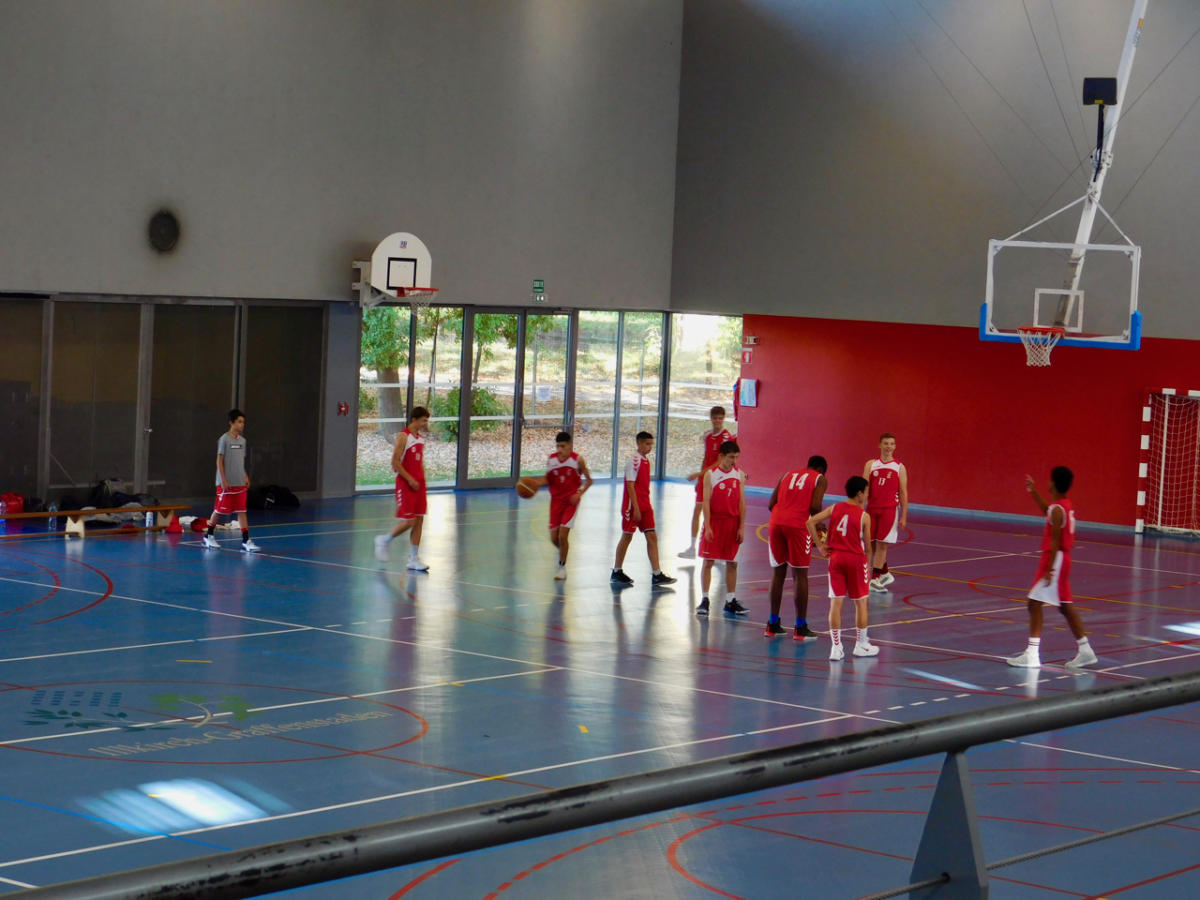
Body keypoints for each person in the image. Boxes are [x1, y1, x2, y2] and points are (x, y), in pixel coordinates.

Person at [1006, 467, 1098, 669]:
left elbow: (1055, 539)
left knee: (1034, 603)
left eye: (1049, 480)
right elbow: (1049, 513)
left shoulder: (1057, 509)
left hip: (1055, 559)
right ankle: (1086, 650)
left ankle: (1032, 654)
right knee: (1065, 606)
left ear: (1054, 483)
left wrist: (1049, 569)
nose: (1047, 482)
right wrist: (1033, 492)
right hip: (1062, 559)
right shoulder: (1061, 506)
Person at [808, 476, 878, 661]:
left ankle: (836, 648)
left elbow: (810, 522)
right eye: (867, 491)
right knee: (861, 603)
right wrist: (868, 564)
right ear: (859, 493)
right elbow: (868, 547)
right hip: (856, 560)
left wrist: (820, 545)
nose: (868, 495)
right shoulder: (864, 516)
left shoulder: (835, 508)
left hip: (836, 559)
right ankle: (861, 644)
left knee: (835, 603)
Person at [764, 455, 827, 639]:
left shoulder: (787, 475)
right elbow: (815, 507)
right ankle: (800, 627)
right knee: (800, 575)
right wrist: (819, 524)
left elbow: (771, 504)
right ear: (821, 470)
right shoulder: (820, 479)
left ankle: (772, 624)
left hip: (776, 523)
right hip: (798, 526)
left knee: (778, 573)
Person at [611, 431, 676, 587]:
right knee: (627, 536)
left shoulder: (645, 461)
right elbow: (630, 485)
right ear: (639, 443)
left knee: (652, 536)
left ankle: (657, 574)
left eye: (651, 444)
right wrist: (636, 507)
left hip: (645, 505)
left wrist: (644, 505)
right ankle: (617, 571)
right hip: (633, 506)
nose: (649, 447)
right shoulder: (633, 461)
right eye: (647, 444)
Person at [374, 407, 431, 571]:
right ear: (414, 420)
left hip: (419, 484)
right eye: (423, 420)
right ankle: (384, 540)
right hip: (405, 484)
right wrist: (410, 479)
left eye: (426, 420)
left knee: (419, 520)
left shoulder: (420, 439)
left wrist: (422, 479)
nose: (425, 423)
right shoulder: (403, 437)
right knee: (409, 521)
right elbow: (395, 462)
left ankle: (413, 559)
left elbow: (419, 462)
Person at [696, 440, 747, 616]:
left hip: (732, 524)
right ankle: (704, 600)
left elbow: (741, 502)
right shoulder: (710, 475)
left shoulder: (740, 475)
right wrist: (708, 525)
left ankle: (730, 600)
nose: (734, 461)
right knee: (708, 562)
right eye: (731, 457)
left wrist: (741, 526)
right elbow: (706, 502)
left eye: (736, 457)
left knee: (732, 563)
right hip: (715, 522)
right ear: (722, 456)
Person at [680, 406, 735, 558]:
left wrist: (699, 474)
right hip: (705, 478)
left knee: (717, 515)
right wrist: (700, 478)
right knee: (697, 511)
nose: (718, 421)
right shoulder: (708, 436)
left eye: (720, 418)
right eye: (715, 418)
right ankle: (692, 548)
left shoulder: (726, 437)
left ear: (723, 419)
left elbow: (719, 462)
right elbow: (706, 458)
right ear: (711, 418)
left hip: (718, 480)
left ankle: (720, 549)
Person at [203, 408, 260, 552]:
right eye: (239, 422)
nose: (242, 425)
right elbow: (219, 461)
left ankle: (246, 540)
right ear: (231, 423)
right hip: (226, 484)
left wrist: (245, 476)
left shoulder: (243, 441)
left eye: (243, 422)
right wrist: (223, 480)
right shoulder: (224, 439)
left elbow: (240, 462)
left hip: (239, 483)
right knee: (218, 510)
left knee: (242, 511)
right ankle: (208, 535)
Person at [863, 432, 908, 591]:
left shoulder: (899, 467)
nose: (889, 447)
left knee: (882, 544)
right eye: (886, 443)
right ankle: (885, 573)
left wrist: (903, 516)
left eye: (891, 444)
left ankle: (875, 579)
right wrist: (859, 511)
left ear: (895, 447)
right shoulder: (871, 464)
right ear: (880, 445)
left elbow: (903, 493)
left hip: (889, 511)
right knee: (870, 545)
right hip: (871, 510)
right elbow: (864, 490)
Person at [546, 430, 593, 581]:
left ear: (570, 445)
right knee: (554, 538)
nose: (559, 449)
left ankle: (562, 567)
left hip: (571, 502)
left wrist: (579, 493)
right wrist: (532, 485)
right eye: (557, 446)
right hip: (556, 502)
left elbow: (589, 480)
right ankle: (563, 551)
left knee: (562, 535)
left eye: (563, 446)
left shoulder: (578, 460)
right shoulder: (552, 460)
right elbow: (547, 479)